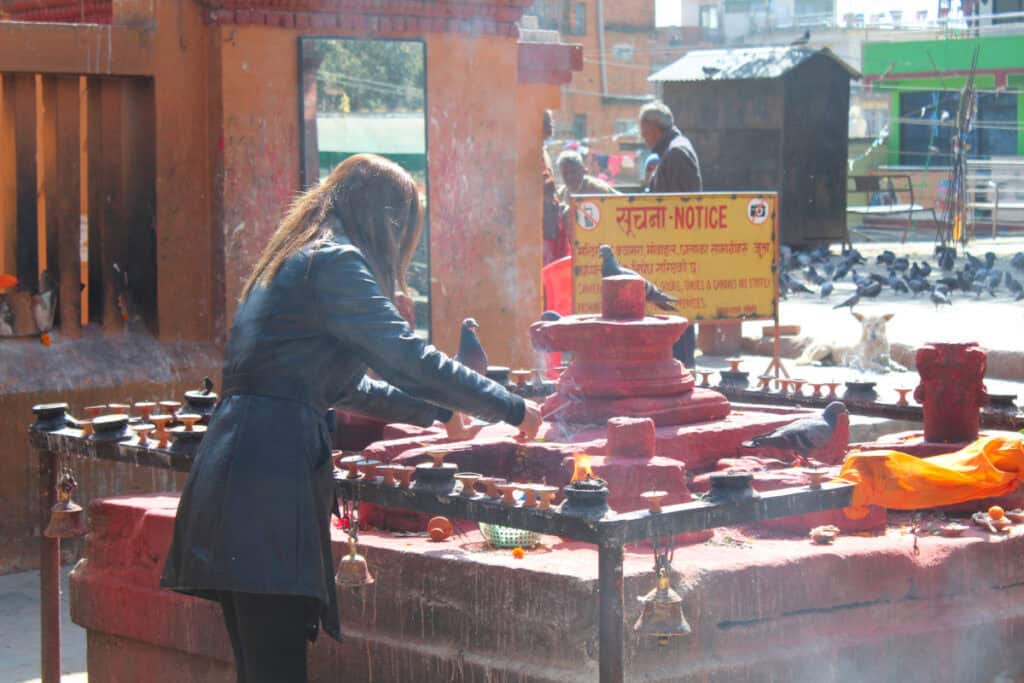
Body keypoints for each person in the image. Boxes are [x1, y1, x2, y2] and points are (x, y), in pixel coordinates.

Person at [161, 154, 543, 683]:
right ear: (385, 222)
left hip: (237, 468)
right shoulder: (333, 261)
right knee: (274, 665)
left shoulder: (299, 257)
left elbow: (345, 385)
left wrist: (438, 411)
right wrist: (511, 406)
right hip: (268, 478)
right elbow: (403, 355)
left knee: (263, 663)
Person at [638, 100, 702, 368]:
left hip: (676, 252)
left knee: (676, 314)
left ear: (654, 128)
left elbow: (680, 209)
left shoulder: (676, 153)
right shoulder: (673, 151)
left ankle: (681, 371)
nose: (643, 137)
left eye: (644, 131)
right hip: (670, 251)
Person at [542, 110, 562, 265]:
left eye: (551, 121)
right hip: (538, 231)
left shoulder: (544, 152)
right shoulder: (531, 151)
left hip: (550, 228)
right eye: (545, 121)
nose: (550, 125)